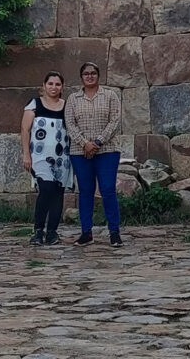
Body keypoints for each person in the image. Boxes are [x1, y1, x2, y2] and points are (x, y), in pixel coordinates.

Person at [65, 61, 123, 248]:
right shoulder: (73, 99)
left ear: (98, 75)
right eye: (86, 73)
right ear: (81, 77)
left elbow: (114, 121)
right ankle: (86, 232)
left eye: (93, 73)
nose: (89, 76)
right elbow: (70, 124)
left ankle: (114, 232)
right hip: (79, 151)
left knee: (107, 190)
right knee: (85, 191)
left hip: (106, 150)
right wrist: (85, 143)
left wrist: (97, 142)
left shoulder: (110, 96)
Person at [20, 71, 74, 246]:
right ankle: (37, 230)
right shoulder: (34, 105)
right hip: (40, 156)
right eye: (50, 83)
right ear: (44, 85)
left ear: (62, 87)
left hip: (62, 158)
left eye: (57, 84)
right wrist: (26, 154)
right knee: (46, 189)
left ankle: (52, 232)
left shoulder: (67, 106)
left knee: (58, 193)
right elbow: (25, 130)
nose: (54, 87)